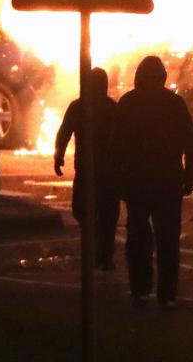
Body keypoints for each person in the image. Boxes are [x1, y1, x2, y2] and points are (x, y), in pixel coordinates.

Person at [116, 56, 193, 308]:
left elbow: (114, 146)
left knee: (138, 237)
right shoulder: (174, 104)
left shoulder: (128, 103)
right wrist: (189, 176)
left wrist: (118, 180)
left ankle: (140, 289)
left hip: (137, 182)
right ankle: (167, 295)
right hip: (167, 182)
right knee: (168, 241)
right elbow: (192, 145)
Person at [54, 67, 121, 270]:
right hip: (108, 172)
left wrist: (59, 156)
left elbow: (64, 133)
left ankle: (97, 251)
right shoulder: (112, 107)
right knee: (106, 216)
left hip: (90, 171)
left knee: (86, 211)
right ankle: (104, 253)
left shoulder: (78, 107)